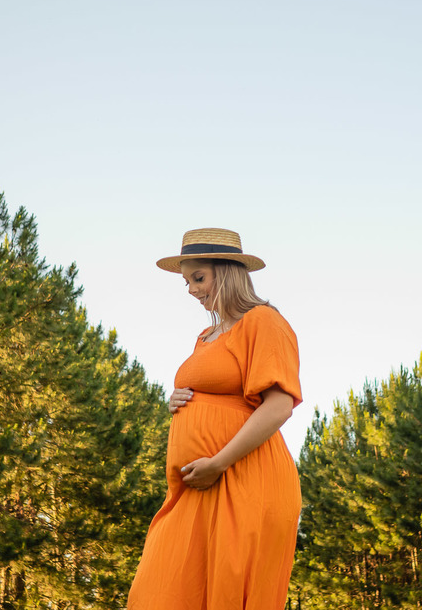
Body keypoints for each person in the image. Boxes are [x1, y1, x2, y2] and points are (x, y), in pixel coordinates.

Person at [127, 228, 302, 610]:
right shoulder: (206, 335)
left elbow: (279, 405)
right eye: (187, 281)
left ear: (227, 272)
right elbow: (216, 390)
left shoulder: (262, 321)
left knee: (225, 596)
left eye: (199, 277)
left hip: (243, 479)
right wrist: (179, 400)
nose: (191, 289)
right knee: (157, 593)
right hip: (195, 486)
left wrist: (218, 463)